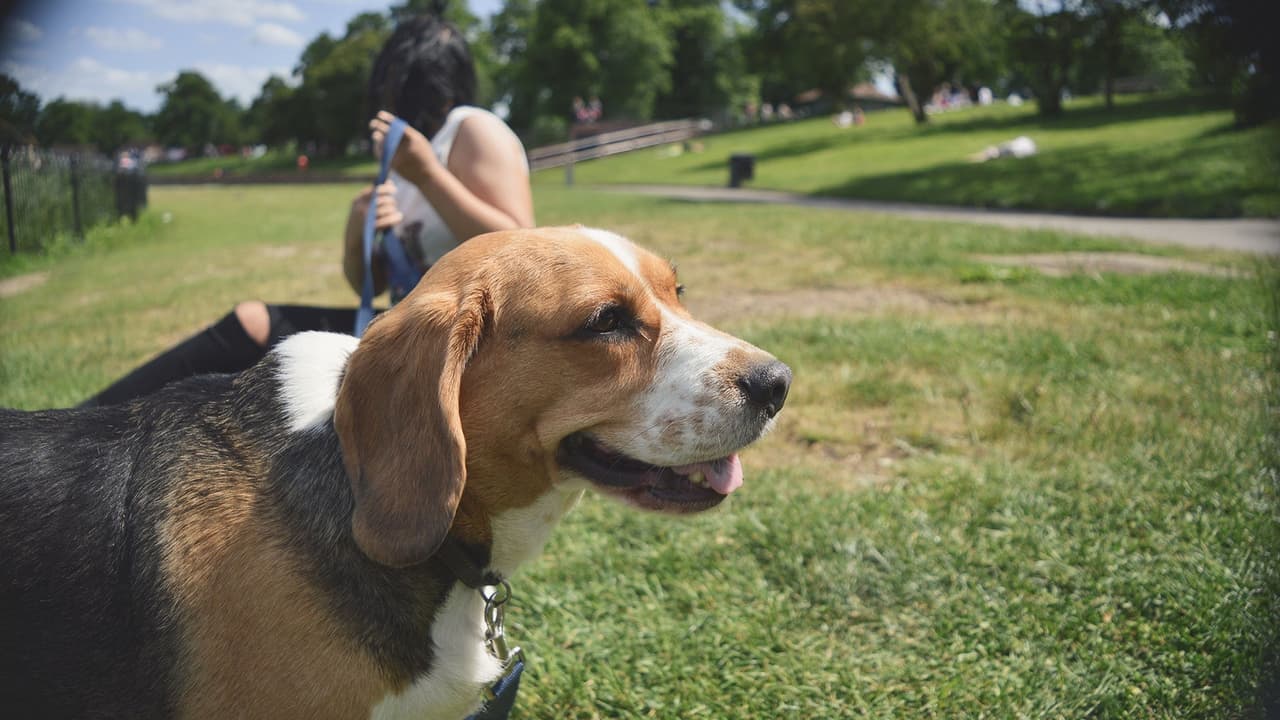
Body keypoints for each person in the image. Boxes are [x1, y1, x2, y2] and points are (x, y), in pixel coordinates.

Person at [80, 14, 533, 407]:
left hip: (468, 346)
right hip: (409, 330)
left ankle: (84, 427)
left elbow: (522, 251)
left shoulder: (471, 128)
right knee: (255, 324)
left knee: (260, 331)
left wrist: (428, 175)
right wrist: (356, 233)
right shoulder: (411, 154)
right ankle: (87, 422)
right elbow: (373, 286)